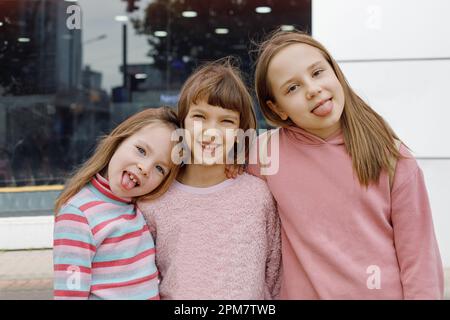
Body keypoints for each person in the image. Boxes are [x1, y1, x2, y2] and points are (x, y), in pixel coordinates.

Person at [247, 29, 444, 299]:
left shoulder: (393, 157)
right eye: (293, 88)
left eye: (317, 73)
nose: (313, 89)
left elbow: (421, 265)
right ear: (278, 108)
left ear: (335, 72)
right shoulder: (264, 154)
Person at [138, 58, 281, 300]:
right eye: (199, 117)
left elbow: (275, 274)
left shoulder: (259, 196)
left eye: (226, 121)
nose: (210, 131)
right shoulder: (154, 200)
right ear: (182, 121)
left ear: (239, 132)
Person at [53, 107, 180, 300]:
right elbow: (69, 295)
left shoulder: (143, 208)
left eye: (160, 168)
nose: (145, 168)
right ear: (119, 141)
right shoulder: (78, 215)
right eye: (141, 150)